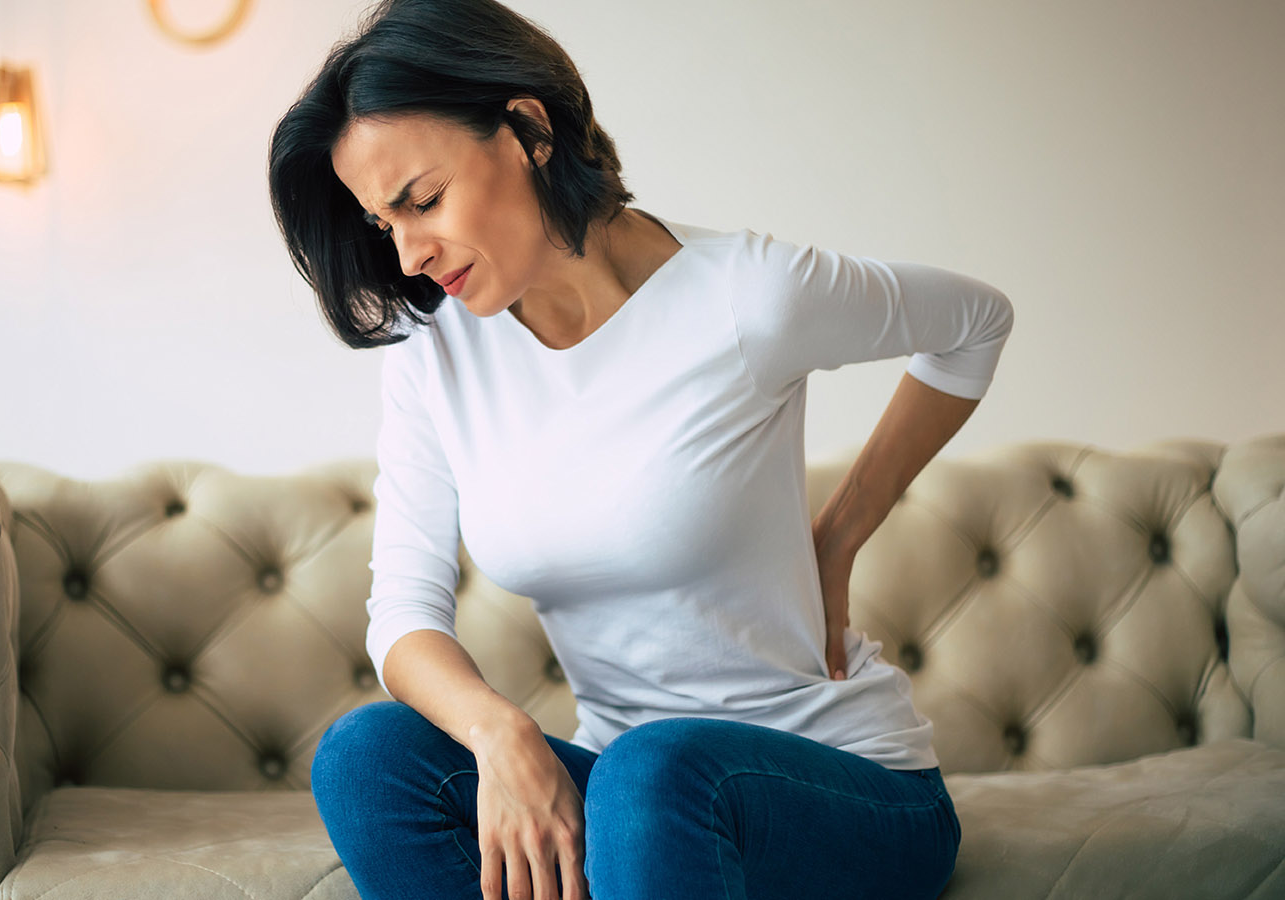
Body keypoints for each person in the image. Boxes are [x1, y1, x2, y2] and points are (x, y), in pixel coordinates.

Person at [267, 1, 1009, 897]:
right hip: (632, 802)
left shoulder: (747, 296)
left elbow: (974, 323)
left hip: (842, 789)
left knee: (655, 773)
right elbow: (403, 615)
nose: (412, 253)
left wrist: (839, 534)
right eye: (387, 224)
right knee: (367, 759)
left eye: (423, 200)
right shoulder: (439, 349)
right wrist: (498, 732)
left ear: (529, 130)